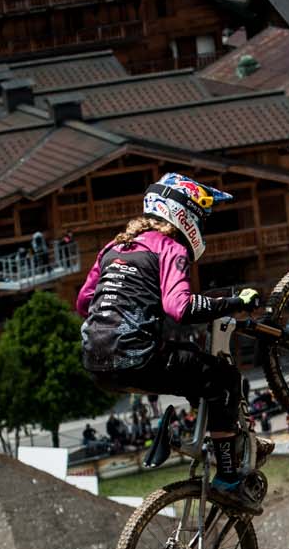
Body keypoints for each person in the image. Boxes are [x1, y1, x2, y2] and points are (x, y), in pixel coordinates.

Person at [74, 172, 274, 511]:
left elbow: (83, 302)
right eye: (202, 218)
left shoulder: (113, 247)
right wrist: (236, 302)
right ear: (185, 215)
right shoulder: (171, 247)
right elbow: (179, 307)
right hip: (136, 355)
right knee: (223, 378)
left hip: (95, 361)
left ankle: (200, 433)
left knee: (193, 366)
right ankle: (228, 479)